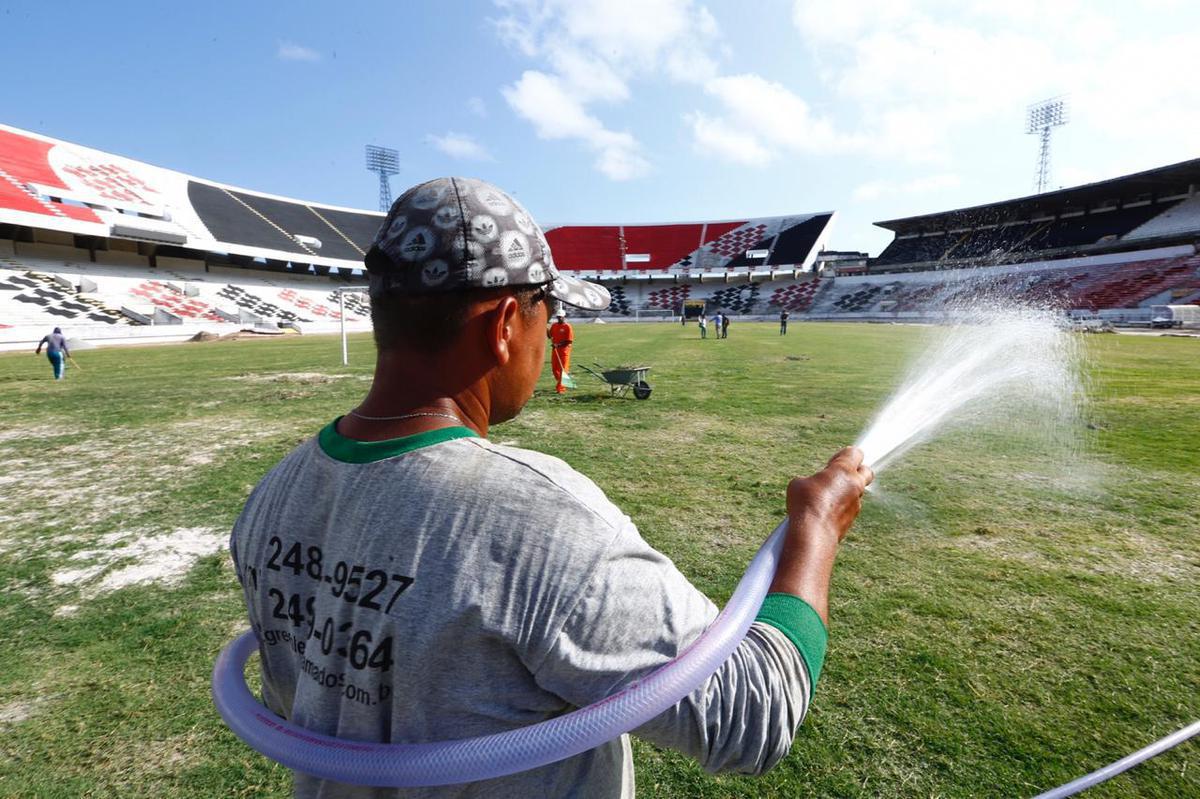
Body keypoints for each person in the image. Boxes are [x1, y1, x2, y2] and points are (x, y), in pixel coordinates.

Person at [230, 177, 873, 799]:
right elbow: (753, 715)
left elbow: (302, 699)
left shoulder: (273, 492)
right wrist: (815, 530)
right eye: (551, 309)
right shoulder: (534, 519)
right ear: (506, 324)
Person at [547, 309, 573, 394]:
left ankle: (561, 388)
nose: (559, 319)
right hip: (555, 350)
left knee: (563, 369)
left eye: (560, 317)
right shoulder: (554, 325)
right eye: (558, 317)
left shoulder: (567, 327)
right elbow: (550, 336)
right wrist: (546, 329)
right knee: (555, 370)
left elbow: (569, 341)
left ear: (564, 317)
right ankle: (564, 382)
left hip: (564, 351)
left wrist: (558, 345)